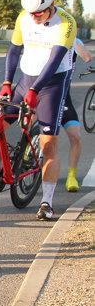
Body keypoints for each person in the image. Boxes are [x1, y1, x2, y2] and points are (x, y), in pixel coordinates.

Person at [0, 0, 76, 220]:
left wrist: (35, 90)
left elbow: (53, 63)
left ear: (51, 4)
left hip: (52, 83)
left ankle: (46, 203)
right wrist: (7, 83)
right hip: (26, 79)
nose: (34, 17)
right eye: (31, 12)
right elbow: (13, 50)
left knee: (48, 145)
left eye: (39, 12)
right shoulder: (23, 17)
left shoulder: (66, 23)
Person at [62, 38, 92, 191]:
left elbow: (86, 57)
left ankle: (71, 176)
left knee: (75, 136)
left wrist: (72, 41)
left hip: (62, 96)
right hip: (40, 92)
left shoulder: (73, 39)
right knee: (28, 125)